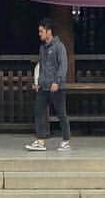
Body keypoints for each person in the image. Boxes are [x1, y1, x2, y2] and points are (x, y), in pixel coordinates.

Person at [25, 17, 71, 151]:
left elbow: (63, 65)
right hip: (43, 86)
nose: (39, 34)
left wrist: (57, 81)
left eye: (41, 31)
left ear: (49, 31)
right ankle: (41, 140)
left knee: (61, 113)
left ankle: (66, 140)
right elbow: (42, 67)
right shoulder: (42, 48)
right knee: (39, 111)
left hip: (56, 87)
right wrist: (38, 82)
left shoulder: (59, 46)